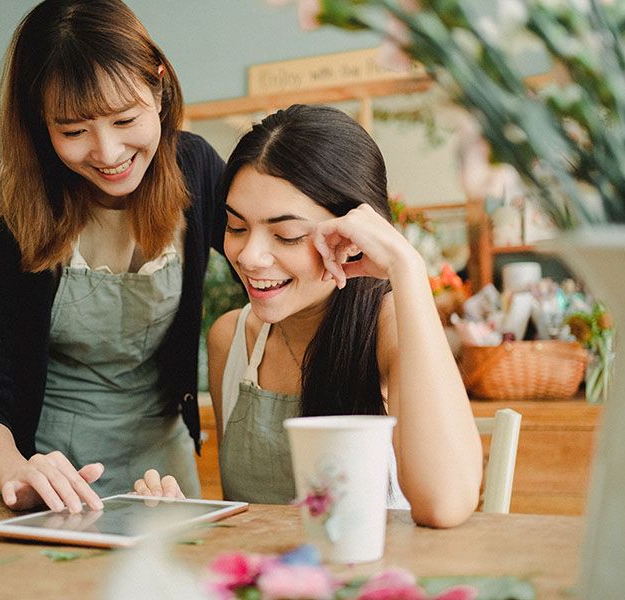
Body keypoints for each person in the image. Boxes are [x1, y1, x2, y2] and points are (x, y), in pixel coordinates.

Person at [0, 0, 226, 514]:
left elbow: (270, 255)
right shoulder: (4, 217)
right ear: (37, 121)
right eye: (73, 131)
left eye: (125, 118)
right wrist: (14, 470)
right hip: (34, 467)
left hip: (160, 470)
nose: (108, 152)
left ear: (158, 87)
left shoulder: (197, 171)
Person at [135, 105, 483, 528]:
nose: (249, 256)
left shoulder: (388, 328)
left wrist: (404, 266)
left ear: (353, 235)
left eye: (287, 235)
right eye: (236, 227)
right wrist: (185, 517)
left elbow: (443, 504)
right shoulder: (234, 339)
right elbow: (248, 522)